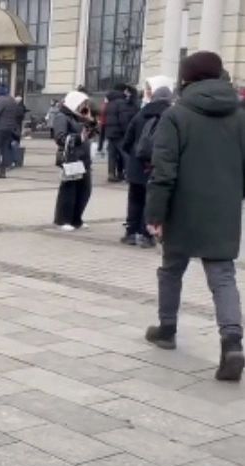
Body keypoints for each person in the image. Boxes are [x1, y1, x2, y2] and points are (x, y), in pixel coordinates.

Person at [145, 51, 245, 382]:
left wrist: (155, 213)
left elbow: (163, 171)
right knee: (223, 277)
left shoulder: (176, 115)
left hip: (181, 209)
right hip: (223, 210)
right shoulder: (240, 115)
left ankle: (167, 329)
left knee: (171, 269)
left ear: (186, 78)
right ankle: (232, 342)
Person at [120, 77, 173, 249]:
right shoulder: (172, 116)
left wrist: (133, 156)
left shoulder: (140, 113)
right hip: (155, 166)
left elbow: (126, 141)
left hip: (136, 165)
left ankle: (130, 233)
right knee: (150, 200)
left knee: (135, 199)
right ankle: (145, 235)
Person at [52, 90, 96, 231]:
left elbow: (93, 133)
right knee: (69, 190)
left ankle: (77, 219)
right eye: (82, 104)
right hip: (71, 158)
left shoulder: (79, 117)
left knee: (84, 190)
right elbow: (60, 137)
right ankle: (63, 219)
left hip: (84, 158)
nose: (84, 107)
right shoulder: (62, 117)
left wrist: (90, 121)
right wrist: (79, 138)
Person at [104, 83, 140, 182]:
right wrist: (127, 132)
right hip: (119, 133)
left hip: (110, 132)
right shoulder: (122, 102)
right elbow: (123, 119)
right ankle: (129, 174)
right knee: (125, 153)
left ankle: (111, 174)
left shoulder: (110, 102)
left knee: (112, 154)